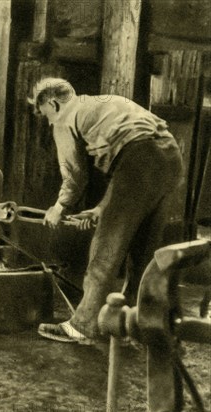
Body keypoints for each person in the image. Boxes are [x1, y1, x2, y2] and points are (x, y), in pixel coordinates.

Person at [30, 78, 183, 343]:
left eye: (46, 116)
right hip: (170, 156)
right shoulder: (103, 103)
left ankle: (83, 326)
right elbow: (131, 168)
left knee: (104, 249)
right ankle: (136, 323)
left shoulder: (66, 117)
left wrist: (58, 207)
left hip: (139, 160)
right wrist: (101, 209)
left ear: (52, 104)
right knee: (144, 250)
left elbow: (75, 176)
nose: (49, 122)